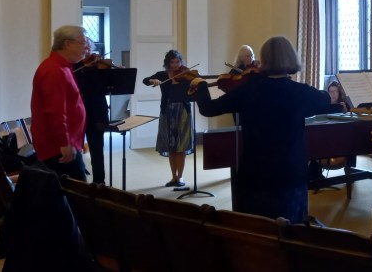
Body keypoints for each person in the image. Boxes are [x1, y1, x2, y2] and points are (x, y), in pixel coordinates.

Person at [192, 36, 337, 222]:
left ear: (264, 60)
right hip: (290, 174)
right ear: (292, 59)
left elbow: (208, 109)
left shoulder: (248, 90)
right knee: (291, 229)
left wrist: (201, 85)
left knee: (257, 229)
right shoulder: (301, 92)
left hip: (254, 173)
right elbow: (325, 98)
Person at [30, 25, 89, 181]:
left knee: (73, 194)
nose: (86, 48)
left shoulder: (63, 67)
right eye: (83, 43)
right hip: (59, 147)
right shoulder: (54, 70)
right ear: (67, 44)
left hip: (66, 143)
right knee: (78, 195)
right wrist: (64, 143)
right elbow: (55, 111)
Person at [142, 50, 195, 189]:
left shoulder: (186, 75)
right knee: (171, 147)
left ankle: (181, 176)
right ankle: (174, 177)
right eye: (172, 62)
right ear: (168, 63)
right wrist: (151, 80)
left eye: (178, 61)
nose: (176, 65)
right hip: (167, 112)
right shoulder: (162, 75)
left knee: (181, 146)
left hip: (183, 112)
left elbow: (196, 87)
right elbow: (144, 80)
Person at [72, 38, 110, 185]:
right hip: (77, 112)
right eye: (84, 48)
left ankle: (99, 181)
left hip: (96, 112)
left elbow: (107, 87)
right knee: (76, 148)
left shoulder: (99, 66)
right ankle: (78, 180)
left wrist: (106, 71)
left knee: (97, 149)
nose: (87, 52)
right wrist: (82, 67)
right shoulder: (74, 67)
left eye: (89, 48)